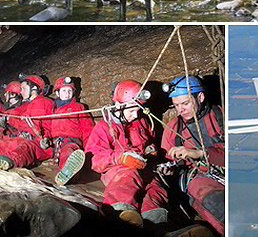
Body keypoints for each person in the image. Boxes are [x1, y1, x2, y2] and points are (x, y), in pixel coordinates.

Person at [86, 80, 167, 229]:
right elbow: (94, 159)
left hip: (145, 168)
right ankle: (118, 217)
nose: (135, 115)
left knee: (156, 187)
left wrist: (151, 152)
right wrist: (121, 157)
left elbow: (150, 143)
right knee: (129, 175)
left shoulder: (142, 122)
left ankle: (157, 225)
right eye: (131, 111)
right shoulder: (104, 127)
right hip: (118, 171)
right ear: (118, 106)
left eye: (138, 110)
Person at [161, 75, 225, 235]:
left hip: (229, 171)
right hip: (199, 177)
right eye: (176, 105)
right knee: (215, 202)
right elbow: (168, 159)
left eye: (185, 103)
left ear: (200, 97)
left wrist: (200, 153)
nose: (180, 109)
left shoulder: (221, 117)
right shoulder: (174, 127)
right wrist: (168, 169)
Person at [45, 76, 95, 186]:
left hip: (71, 141)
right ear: (57, 93)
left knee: (68, 153)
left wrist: (89, 152)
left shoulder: (79, 107)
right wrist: (45, 139)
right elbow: (47, 127)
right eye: (63, 90)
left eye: (70, 90)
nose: (67, 93)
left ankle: (67, 172)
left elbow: (88, 129)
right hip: (54, 144)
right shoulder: (53, 109)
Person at [0, 74, 54, 170]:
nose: (21, 91)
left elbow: (31, 125)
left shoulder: (43, 102)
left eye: (23, 88)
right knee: (5, 143)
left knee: (24, 149)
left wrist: (9, 119)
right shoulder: (29, 104)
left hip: (38, 142)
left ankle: (10, 161)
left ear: (34, 88)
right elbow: (17, 116)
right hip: (25, 138)